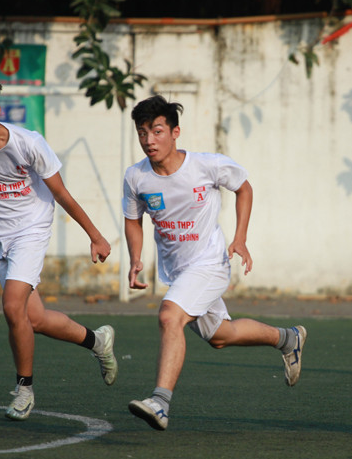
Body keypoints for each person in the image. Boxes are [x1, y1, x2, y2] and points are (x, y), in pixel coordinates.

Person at [0, 74, 118, 421]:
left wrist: (95, 235)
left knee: (11, 306)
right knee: (33, 319)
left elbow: (61, 193)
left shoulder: (28, 144)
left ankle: (24, 389)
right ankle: (97, 341)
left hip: (31, 230)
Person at [123, 95, 307, 431]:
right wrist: (135, 258)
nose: (149, 140)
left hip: (210, 264)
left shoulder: (206, 166)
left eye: (157, 131)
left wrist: (240, 237)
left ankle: (160, 402)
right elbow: (133, 220)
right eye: (142, 133)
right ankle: (287, 338)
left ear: (175, 132)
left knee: (169, 316)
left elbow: (244, 188)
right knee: (221, 336)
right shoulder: (136, 176)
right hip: (178, 272)